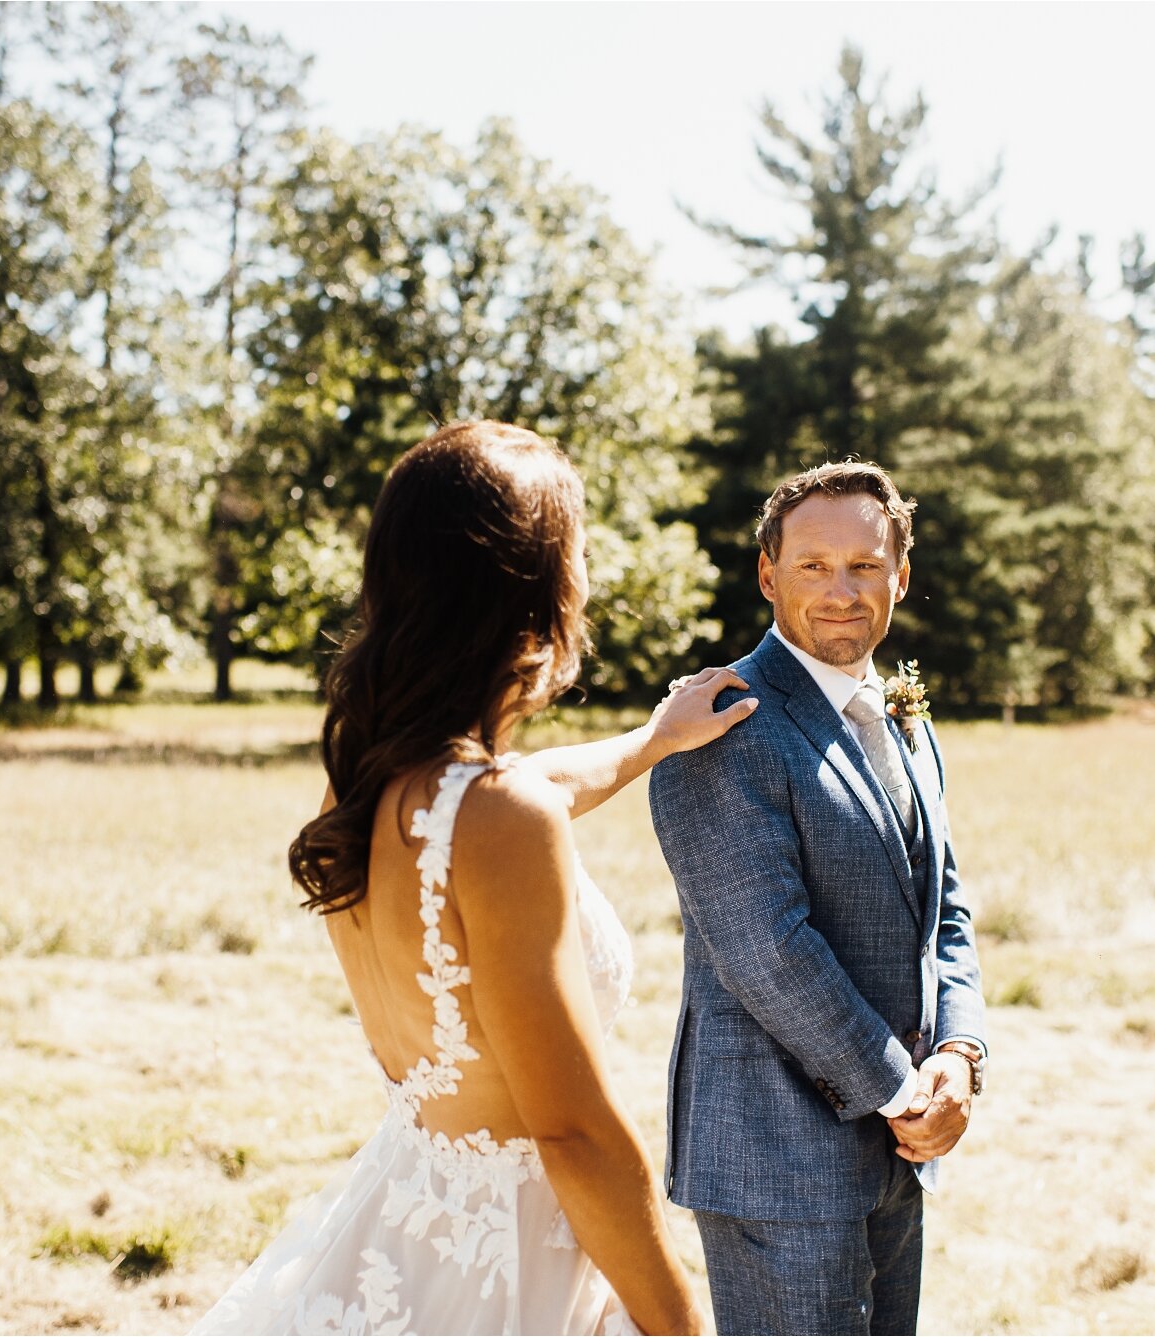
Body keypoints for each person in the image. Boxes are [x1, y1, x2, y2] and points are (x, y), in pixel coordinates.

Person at [194, 421, 747, 1336]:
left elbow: (540, 783)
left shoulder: (370, 780)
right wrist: (683, 1327)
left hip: (404, 1221)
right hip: (511, 1269)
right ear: (537, 588)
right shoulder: (497, 817)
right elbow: (574, 1132)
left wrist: (656, 739)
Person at [647, 462, 989, 1336]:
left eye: (865, 566)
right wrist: (905, 1090)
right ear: (769, 574)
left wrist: (960, 1053)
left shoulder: (905, 714)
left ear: (900, 576)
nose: (841, 591)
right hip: (776, 1163)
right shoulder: (723, 725)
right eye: (812, 566)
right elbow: (768, 947)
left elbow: (942, 904)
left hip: (900, 1146)